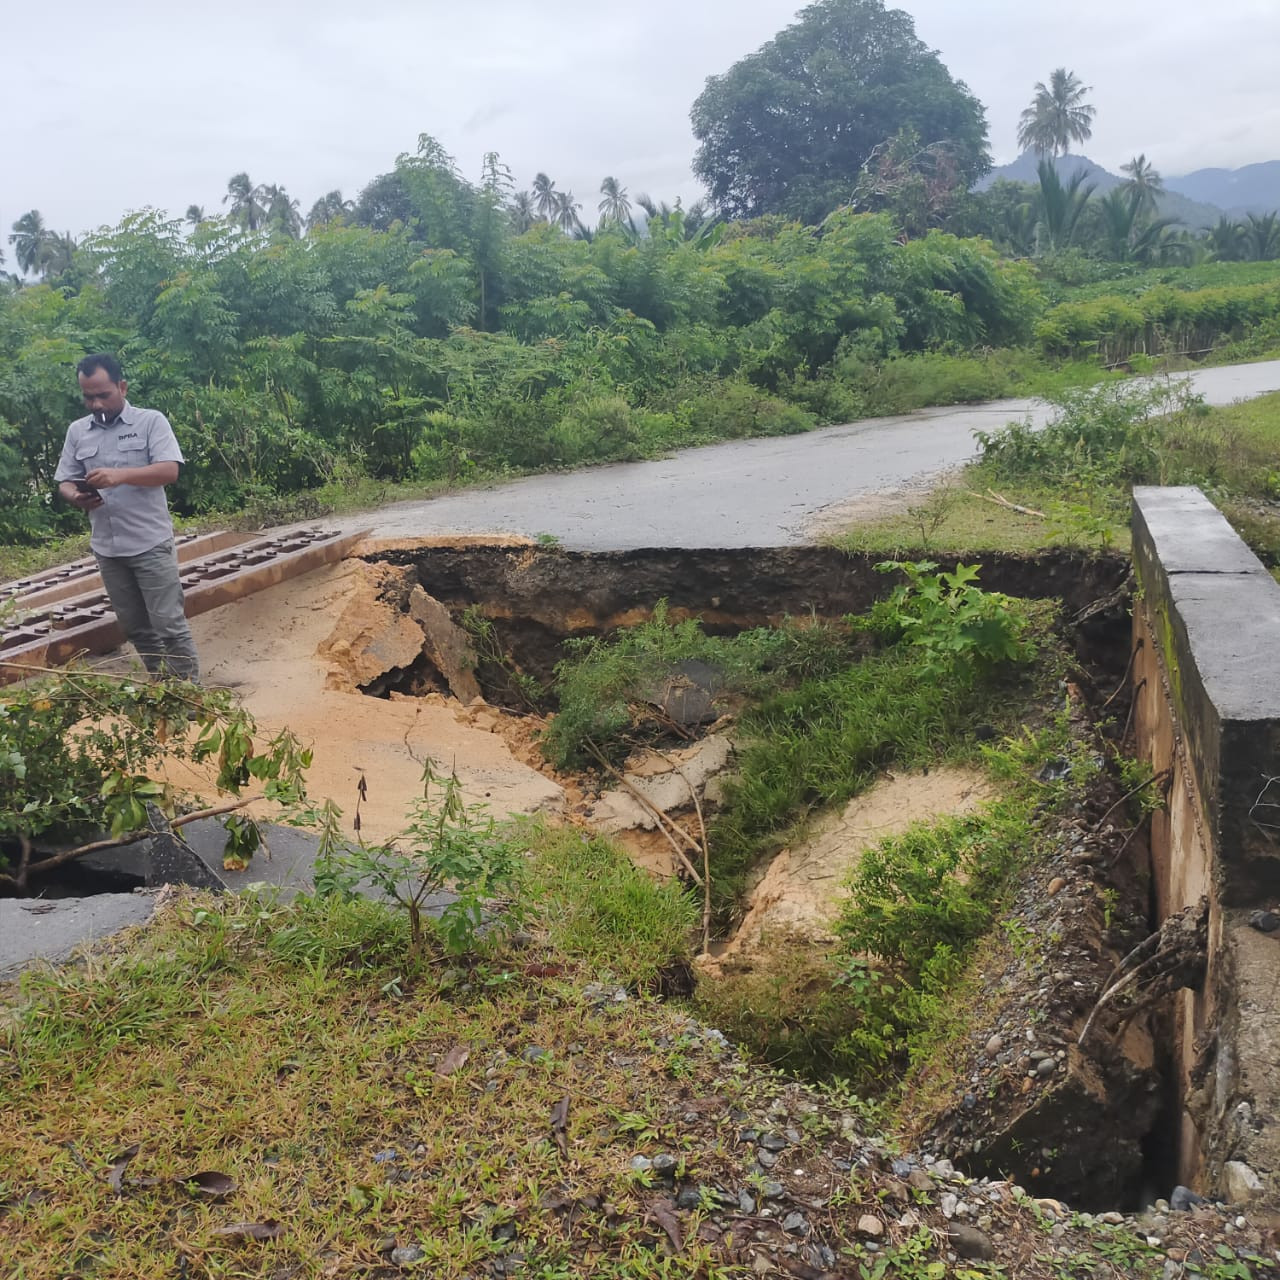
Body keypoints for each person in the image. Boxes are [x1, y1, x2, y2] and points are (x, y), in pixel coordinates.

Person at [54, 354, 201, 682]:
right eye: (88, 396)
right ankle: (164, 692)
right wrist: (76, 497)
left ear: (122, 387)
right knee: (136, 628)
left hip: (149, 543)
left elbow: (169, 470)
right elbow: (64, 480)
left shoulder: (151, 422)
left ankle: (190, 699)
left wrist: (120, 476)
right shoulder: (78, 431)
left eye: (103, 394)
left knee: (169, 625)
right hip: (108, 549)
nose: (95, 403)